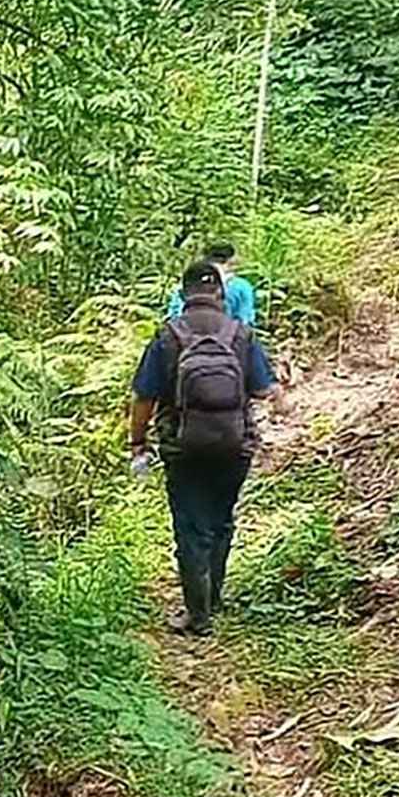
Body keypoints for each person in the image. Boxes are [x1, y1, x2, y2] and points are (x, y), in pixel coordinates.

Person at [130, 261, 280, 636]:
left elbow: (144, 398)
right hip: (234, 444)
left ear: (183, 295)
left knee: (190, 525)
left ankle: (197, 615)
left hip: (183, 446)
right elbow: (265, 390)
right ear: (220, 294)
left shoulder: (167, 336)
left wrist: (138, 443)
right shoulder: (240, 334)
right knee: (221, 518)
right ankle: (213, 597)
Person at [166, 242, 256, 327]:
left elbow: (174, 316)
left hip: (186, 334)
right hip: (227, 335)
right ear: (230, 261)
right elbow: (245, 320)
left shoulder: (188, 283)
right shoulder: (242, 286)